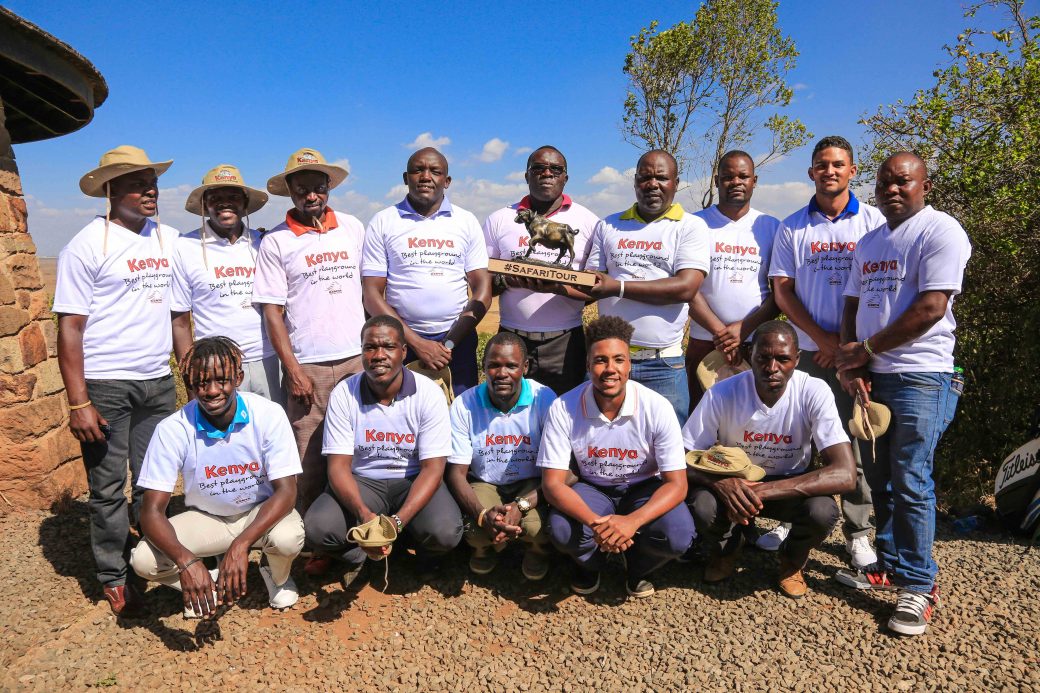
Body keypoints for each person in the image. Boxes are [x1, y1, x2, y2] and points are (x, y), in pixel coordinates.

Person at [835, 152, 970, 636]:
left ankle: (919, 583)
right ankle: (889, 564)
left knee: (912, 476)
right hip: (874, 376)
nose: (892, 189)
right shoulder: (870, 241)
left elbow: (932, 307)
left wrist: (866, 348)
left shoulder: (941, 232)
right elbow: (851, 305)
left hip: (921, 374)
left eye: (903, 182)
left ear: (924, 185)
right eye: (884, 182)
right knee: (880, 474)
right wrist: (854, 364)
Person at [54, 145, 180, 616]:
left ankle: (155, 555)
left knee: (156, 479)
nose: (150, 191)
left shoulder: (163, 238)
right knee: (108, 487)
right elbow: (70, 326)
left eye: (152, 182)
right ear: (110, 190)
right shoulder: (85, 245)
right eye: (137, 183)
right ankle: (113, 572)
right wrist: (78, 401)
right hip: (107, 383)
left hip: (157, 381)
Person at [769, 136, 887, 566]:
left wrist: (847, 350)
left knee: (857, 441)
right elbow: (783, 292)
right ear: (811, 172)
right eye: (822, 165)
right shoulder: (793, 226)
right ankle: (788, 518)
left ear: (853, 170)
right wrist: (824, 342)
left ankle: (859, 530)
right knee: (796, 438)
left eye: (838, 164)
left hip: (859, 354)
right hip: (807, 352)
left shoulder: (875, 222)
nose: (830, 171)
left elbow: (882, 287)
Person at [130, 337, 304, 617]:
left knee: (287, 537)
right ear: (189, 383)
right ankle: (205, 583)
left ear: (238, 378)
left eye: (221, 380)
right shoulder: (172, 429)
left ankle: (274, 573)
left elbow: (287, 491)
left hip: (258, 513)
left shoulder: (268, 414)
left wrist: (242, 544)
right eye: (201, 383)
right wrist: (186, 561)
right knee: (144, 561)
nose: (211, 391)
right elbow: (150, 511)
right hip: (209, 518)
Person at [682, 321, 857, 598]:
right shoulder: (723, 392)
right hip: (737, 482)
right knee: (701, 503)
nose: (772, 367)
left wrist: (762, 490)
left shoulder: (814, 390)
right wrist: (721, 481)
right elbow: (682, 456)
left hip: (788, 484)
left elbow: (846, 473)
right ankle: (727, 548)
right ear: (750, 354)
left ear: (797, 360)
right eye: (763, 357)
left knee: (823, 512)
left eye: (783, 359)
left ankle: (792, 559)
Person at [537, 316, 695, 598]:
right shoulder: (564, 407)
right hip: (593, 488)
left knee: (679, 534)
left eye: (619, 360)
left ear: (630, 365)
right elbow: (553, 484)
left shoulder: (657, 407)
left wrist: (632, 522)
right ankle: (592, 564)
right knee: (561, 530)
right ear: (587, 365)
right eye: (600, 360)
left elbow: (677, 484)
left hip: (643, 487)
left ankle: (636, 567)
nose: (610, 369)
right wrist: (598, 525)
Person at [304, 316, 463, 587]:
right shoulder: (345, 393)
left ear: (403, 351)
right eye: (370, 347)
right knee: (319, 527)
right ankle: (357, 554)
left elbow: (433, 469)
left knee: (445, 532)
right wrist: (364, 515)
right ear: (362, 352)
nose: (379, 355)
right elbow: (338, 468)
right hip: (363, 482)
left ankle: (422, 556)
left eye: (388, 347)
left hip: (412, 479)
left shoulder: (428, 394)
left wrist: (398, 523)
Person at [252, 148, 365, 514]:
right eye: (302, 189)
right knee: (308, 456)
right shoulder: (276, 242)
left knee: (359, 450)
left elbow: (369, 288)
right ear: (290, 190)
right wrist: (294, 369)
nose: (311, 196)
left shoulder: (352, 228)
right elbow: (273, 312)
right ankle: (309, 538)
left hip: (356, 360)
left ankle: (357, 531)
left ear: (328, 186)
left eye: (318, 187)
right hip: (309, 367)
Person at [585, 150, 710, 423]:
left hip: (663, 365)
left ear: (676, 183)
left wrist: (617, 287)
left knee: (668, 452)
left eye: (662, 178)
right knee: (600, 443)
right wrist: (547, 282)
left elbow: (685, 287)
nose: (653, 184)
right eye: (645, 177)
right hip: (610, 362)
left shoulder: (691, 227)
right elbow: (590, 282)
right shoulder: (609, 225)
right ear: (635, 182)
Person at [362, 148, 491, 396]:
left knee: (459, 415)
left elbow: (482, 290)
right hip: (401, 341)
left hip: (458, 341)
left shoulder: (465, 221)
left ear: (447, 181)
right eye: (417, 170)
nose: (425, 176)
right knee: (403, 417)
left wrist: (450, 343)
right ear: (405, 177)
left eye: (435, 171)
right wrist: (416, 343)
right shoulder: (384, 221)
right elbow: (371, 294)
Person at [483, 146, 599, 395]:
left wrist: (559, 286)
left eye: (555, 169)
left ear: (565, 178)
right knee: (511, 419)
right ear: (526, 175)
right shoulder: (499, 219)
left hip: (566, 342)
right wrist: (507, 280)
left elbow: (595, 289)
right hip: (512, 339)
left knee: (564, 417)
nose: (547, 173)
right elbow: (483, 283)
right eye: (538, 168)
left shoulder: (589, 221)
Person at [445, 332, 556, 579]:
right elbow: (456, 474)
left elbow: (562, 471)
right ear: (483, 367)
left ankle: (536, 549)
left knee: (537, 527)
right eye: (493, 365)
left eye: (511, 365)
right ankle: (485, 548)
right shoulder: (465, 404)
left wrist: (521, 505)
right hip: (486, 481)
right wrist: (483, 515)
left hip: (532, 482)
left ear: (525, 367)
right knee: (475, 529)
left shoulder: (544, 398)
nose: (502, 373)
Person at [172, 164, 283, 402]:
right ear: (205, 204)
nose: (225, 203)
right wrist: (191, 379)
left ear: (244, 203)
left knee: (271, 428)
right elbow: (180, 323)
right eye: (216, 198)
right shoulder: (185, 247)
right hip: (217, 365)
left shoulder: (264, 242)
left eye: (233, 196)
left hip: (268, 358)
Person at [687, 151, 781, 409]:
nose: (736, 182)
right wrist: (720, 332)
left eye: (743, 176)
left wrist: (744, 328)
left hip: (755, 342)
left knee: (752, 417)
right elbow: (687, 289)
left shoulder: (771, 227)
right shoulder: (695, 224)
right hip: (704, 341)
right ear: (717, 181)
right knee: (700, 414)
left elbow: (780, 294)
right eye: (728, 177)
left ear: (755, 180)